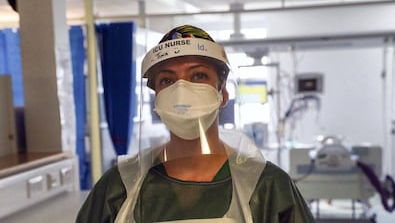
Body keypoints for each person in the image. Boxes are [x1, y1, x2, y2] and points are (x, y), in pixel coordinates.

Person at [75, 25, 315, 223]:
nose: (181, 91)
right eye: (167, 79)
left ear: (222, 95)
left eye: (198, 75)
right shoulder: (120, 187)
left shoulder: (267, 186)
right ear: (157, 98)